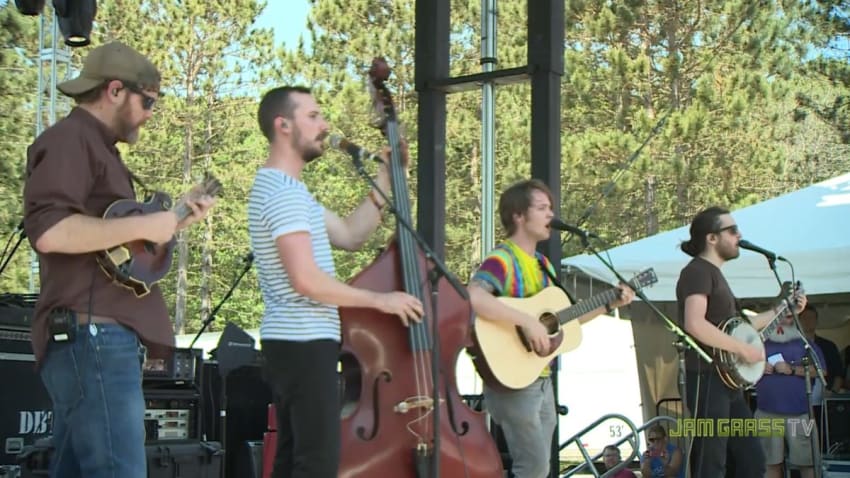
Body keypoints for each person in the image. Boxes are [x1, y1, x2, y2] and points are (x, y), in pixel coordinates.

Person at [22, 41, 215, 478]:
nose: (151, 113)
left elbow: (111, 246)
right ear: (114, 91)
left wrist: (173, 222)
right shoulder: (70, 140)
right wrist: (144, 226)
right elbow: (50, 232)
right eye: (148, 101)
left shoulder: (100, 149)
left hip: (96, 338)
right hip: (92, 337)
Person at [247, 86, 424, 478]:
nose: (324, 125)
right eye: (313, 116)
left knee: (296, 462)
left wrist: (386, 177)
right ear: (284, 125)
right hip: (302, 343)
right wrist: (381, 300)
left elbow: (350, 234)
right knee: (316, 466)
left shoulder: (292, 192)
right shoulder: (282, 194)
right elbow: (307, 280)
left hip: (298, 344)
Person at [467, 179, 635, 478]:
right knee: (532, 468)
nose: (550, 216)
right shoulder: (502, 259)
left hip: (540, 379)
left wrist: (609, 303)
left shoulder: (544, 265)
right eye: (542, 208)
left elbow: (563, 320)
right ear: (519, 215)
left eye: (551, 209)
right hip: (512, 379)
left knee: (539, 469)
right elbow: (474, 296)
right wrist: (526, 320)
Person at [676, 206, 807, 477]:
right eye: (732, 230)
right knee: (710, 463)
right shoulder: (698, 271)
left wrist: (784, 308)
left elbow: (740, 326)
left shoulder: (714, 274)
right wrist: (744, 349)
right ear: (712, 238)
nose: (740, 235)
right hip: (706, 378)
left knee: (751, 459)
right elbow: (694, 323)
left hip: (726, 382)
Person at [755, 313, 825, 478]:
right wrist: (758, 367)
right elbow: (740, 369)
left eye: (788, 316)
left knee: (806, 463)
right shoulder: (759, 344)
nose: (783, 321)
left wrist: (791, 369)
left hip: (799, 415)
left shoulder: (806, 344)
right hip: (767, 414)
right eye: (779, 317)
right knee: (769, 463)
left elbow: (822, 371)